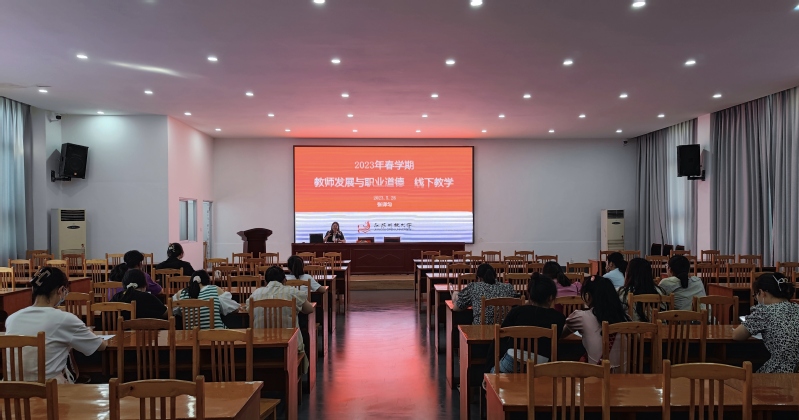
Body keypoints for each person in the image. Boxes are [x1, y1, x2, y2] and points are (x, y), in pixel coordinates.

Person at [5, 267, 107, 383]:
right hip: (48, 388)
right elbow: (100, 346)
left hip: (11, 388)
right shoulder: (64, 319)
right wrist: (89, 333)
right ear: (61, 290)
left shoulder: (12, 318)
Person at [487, 273, 566, 373]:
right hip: (541, 365)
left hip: (512, 361)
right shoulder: (559, 318)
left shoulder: (517, 311)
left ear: (529, 295)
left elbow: (500, 339)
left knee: (491, 375)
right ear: (551, 297)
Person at [247, 266, 314, 372]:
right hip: (288, 346)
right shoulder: (292, 292)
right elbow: (309, 309)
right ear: (284, 280)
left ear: (265, 281)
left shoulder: (255, 294)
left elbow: (248, 311)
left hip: (259, 347)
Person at [733, 273, 799, 373]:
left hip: (782, 372)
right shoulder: (796, 307)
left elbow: (737, 335)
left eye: (756, 295)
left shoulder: (764, 311)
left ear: (762, 293)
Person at [562, 275, 629, 367]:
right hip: (624, 375)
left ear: (587, 296)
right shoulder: (625, 318)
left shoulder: (581, 317)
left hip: (596, 374)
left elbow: (560, 334)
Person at [171, 270, 239, 329]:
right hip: (216, 336)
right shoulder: (215, 289)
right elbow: (234, 309)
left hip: (191, 336)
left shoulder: (181, 293)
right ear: (207, 281)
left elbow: (173, 312)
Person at [618, 257, 667, 322]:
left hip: (633, 327)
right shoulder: (660, 291)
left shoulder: (622, 292)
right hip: (659, 327)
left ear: (628, 274)